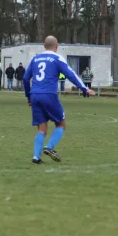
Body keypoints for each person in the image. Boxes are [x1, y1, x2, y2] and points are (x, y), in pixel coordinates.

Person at [23, 36, 95, 165]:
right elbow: (70, 74)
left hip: (35, 95)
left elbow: (25, 78)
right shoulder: (57, 58)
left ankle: (36, 156)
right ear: (56, 46)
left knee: (42, 129)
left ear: (44, 46)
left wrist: (28, 96)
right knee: (61, 124)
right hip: (49, 94)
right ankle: (49, 147)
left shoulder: (35, 59)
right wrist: (84, 89)